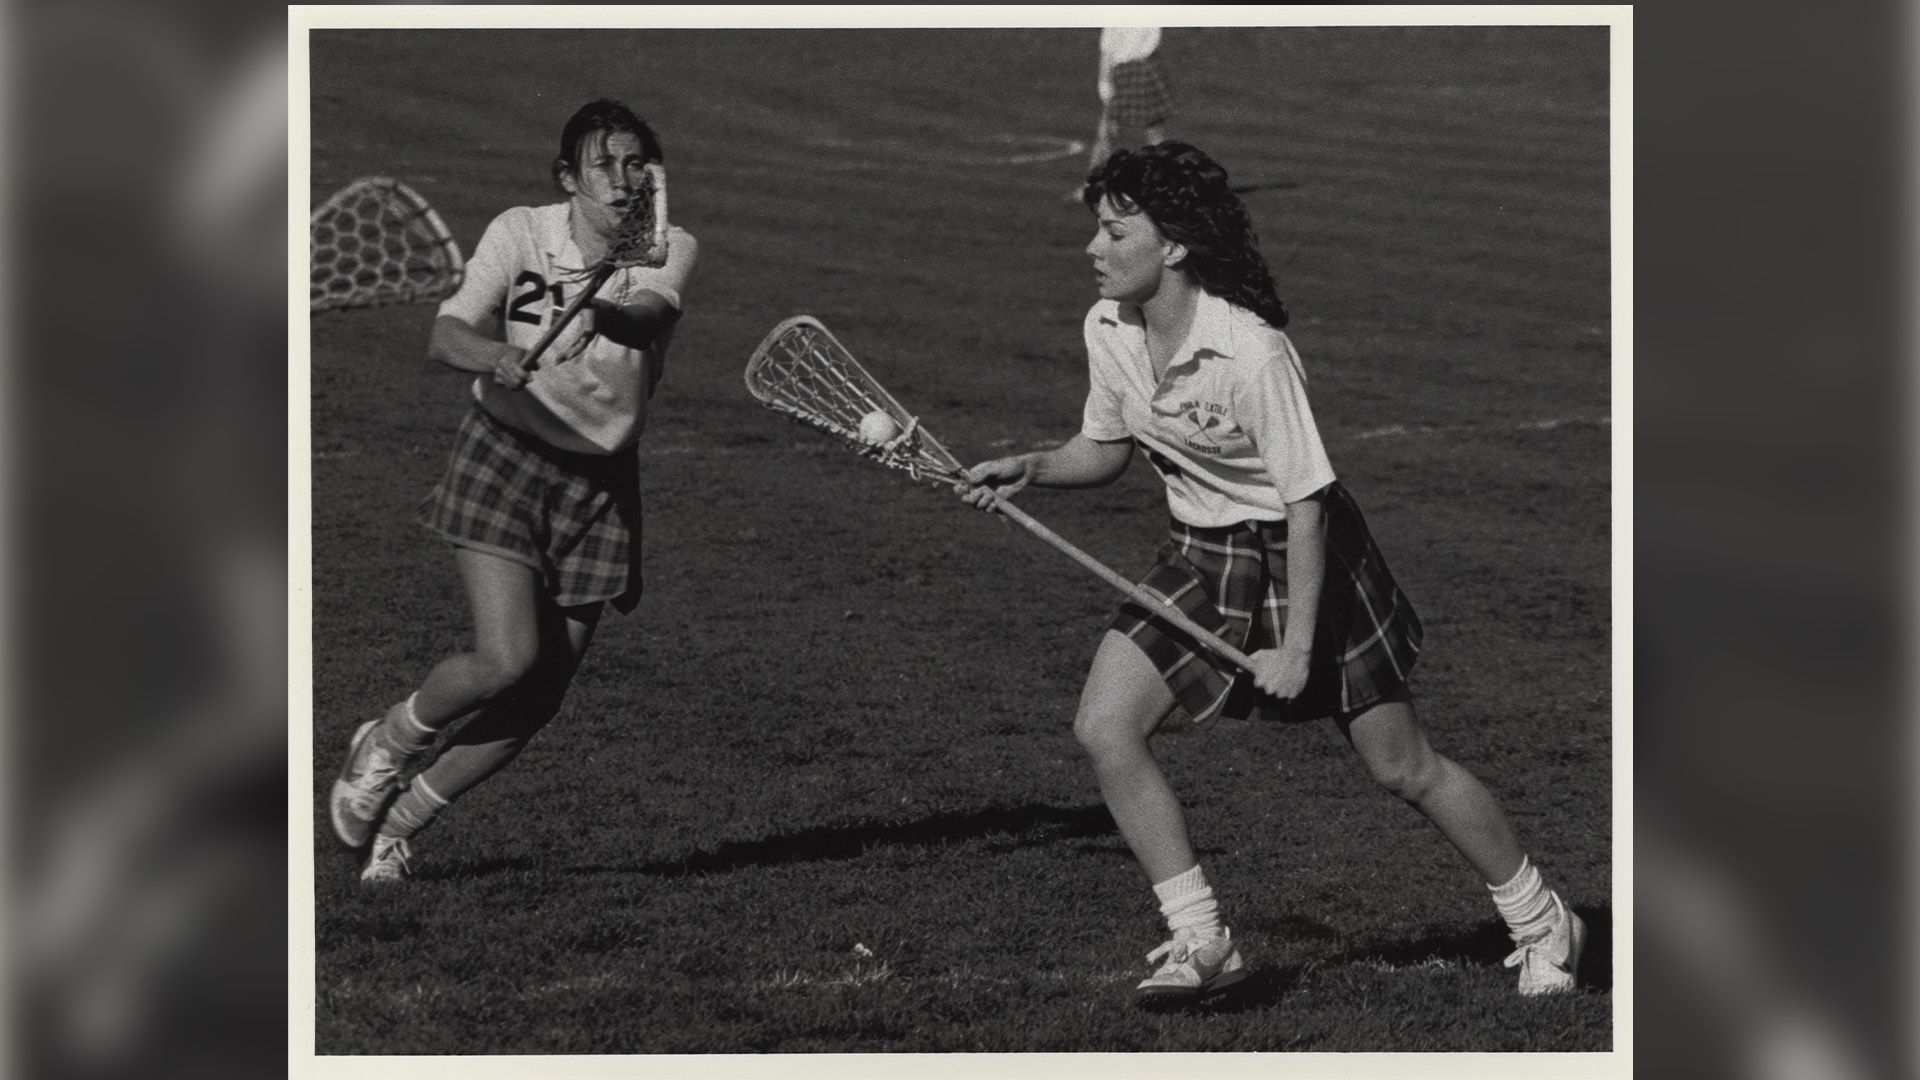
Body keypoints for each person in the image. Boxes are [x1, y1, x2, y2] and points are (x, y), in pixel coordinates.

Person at [963, 142, 1586, 1005]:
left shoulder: (1251, 352)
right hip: (1199, 552)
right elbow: (1105, 447)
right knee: (1105, 729)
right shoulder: (1107, 326)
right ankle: (1203, 939)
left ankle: (1542, 916)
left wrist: (1296, 649)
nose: (1092, 250)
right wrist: (1032, 465)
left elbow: (1307, 502)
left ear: (1173, 246)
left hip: (1307, 556)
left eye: (1113, 231)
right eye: (1095, 231)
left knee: (1402, 768)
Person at [326, 99, 699, 884]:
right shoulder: (520, 231)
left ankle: (401, 822)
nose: (626, 180)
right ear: (569, 177)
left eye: (639, 165)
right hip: (504, 453)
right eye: (606, 165)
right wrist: (493, 356)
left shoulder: (667, 247)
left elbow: (642, 318)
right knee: (508, 659)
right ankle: (389, 739)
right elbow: (445, 334)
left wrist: (598, 300)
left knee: (542, 695)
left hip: (599, 480)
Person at [1070, 27, 1175, 202]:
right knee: (1142, 133)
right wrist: (1105, 81)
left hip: (1129, 69)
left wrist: (1104, 81)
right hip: (1141, 67)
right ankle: (1162, 186)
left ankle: (1161, 185)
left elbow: (1107, 50)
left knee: (1109, 132)